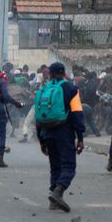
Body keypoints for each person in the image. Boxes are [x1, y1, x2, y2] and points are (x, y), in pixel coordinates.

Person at [35, 62, 85, 212]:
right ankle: (58, 192)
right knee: (69, 166)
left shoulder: (44, 89)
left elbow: (39, 118)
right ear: (64, 73)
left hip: (47, 132)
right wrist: (80, 137)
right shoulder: (71, 89)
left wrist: (41, 140)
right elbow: (77, 114)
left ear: (49, 74)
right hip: (64, 132)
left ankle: (53, 200)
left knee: (55, 166)